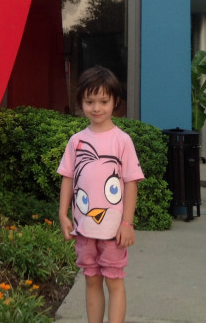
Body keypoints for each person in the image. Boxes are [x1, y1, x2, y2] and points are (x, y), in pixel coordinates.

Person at [58, 66, 144, 323]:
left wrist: (127, 223)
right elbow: (68, 177)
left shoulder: (122, 141)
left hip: (114, 232)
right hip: (84, 229)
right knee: (92, 281)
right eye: (89, 102)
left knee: (114, 283)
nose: (96, 108)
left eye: (103, 101)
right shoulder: (76, 141)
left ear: (115, 101)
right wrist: (63, 214)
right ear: (81, 102)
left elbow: (131, 183)